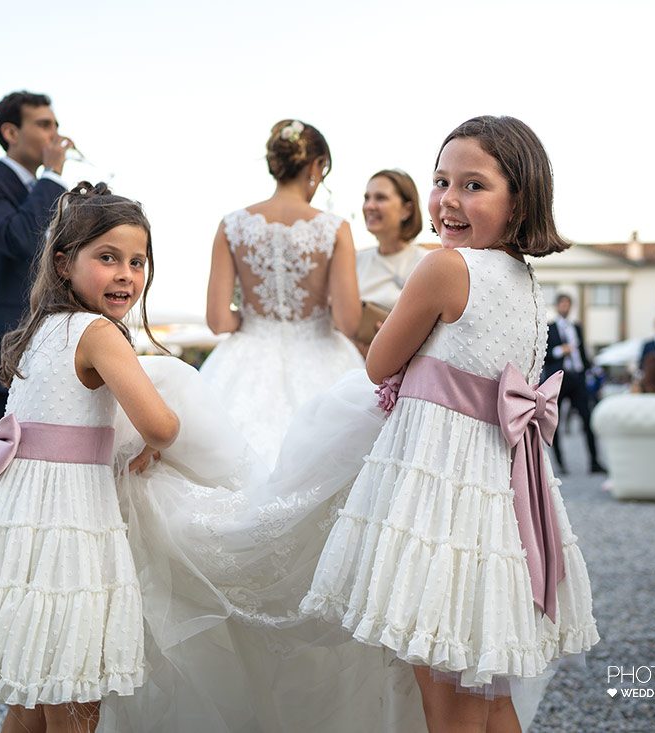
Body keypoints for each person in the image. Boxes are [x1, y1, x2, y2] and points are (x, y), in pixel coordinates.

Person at [301, 115, 598, 730]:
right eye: (441, 181)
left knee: (446, 696)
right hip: (494, 498)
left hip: (439, 496)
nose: (449, 200)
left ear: (520, 199)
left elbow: (380, 362)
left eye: (473, 185)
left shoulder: (445, 268)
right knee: (487, 695)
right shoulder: (526, 281)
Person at [0, 183, 180, 732]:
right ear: (63, 263)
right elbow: (159, 425)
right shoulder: (100, 334)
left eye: (137, 261)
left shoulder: (42, 329)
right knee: (76, 696)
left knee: (30, 696)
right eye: (108, 258)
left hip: (19, 523)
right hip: (68, 528)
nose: (126, 274)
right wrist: (162, 433)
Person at [201, 119, 363, 466]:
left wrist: (254, 319)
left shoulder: (232, 225)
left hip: (246, 357)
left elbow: (218, 321)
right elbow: (348, 321)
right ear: (316, 166)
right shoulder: (335, 228)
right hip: (322, 356)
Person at [0, 90, 73, 420]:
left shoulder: (54, 193)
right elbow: (19, 238)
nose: (56, 136)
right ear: (11, 132)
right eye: (44, 125)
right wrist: (52, 175)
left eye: (56, 125)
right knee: (7, 455)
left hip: (56, 353)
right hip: (5, 354)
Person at [355, 169, 428, 352]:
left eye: (380, 198)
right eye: (367, 198)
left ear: (406, 210)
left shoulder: (425, 263)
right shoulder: (356, 260)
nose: (369, 206)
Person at [544, 293, 606, 474]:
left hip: (578, 377)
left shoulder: (576, 327)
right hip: (559, 379)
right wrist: (559, 351)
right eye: (562, 304)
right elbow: (544, 355)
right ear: (557, 306)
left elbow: (583, 353)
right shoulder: (550, 328)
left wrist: (590, 370)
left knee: (587, 419)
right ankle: (560, 464)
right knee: (555, 422)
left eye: (568, 304)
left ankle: (594, 462)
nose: (565, 307)